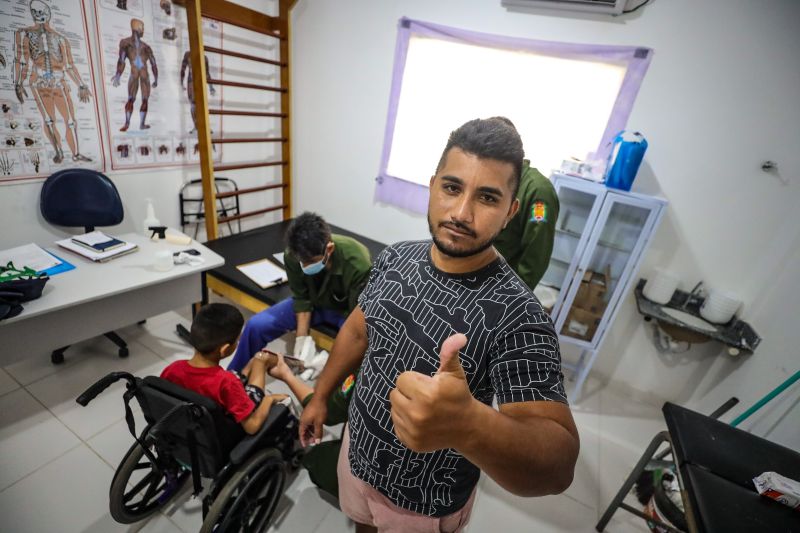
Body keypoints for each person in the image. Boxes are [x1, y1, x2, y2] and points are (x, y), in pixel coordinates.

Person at [301, 118, 579, 532]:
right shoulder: (396, 257)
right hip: (356, 457)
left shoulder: (519, 315)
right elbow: (358, 331)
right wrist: (321, 395)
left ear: (510, 211)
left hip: (420, 506)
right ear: (432, 187)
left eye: (487, 197)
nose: (462, 213)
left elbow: (558, 466)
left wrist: (469, 424)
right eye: (452, 188)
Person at [227, 212, 372, 373]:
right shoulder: (293, 255)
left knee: (358, 350)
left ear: (329, 249)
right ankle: (232, 376)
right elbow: (302, 299)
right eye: (302, 262)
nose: (306, 266)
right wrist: (301, 340)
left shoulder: (357, 262)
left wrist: (332, 361)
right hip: (314, 304)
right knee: (256, 325)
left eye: (311, 262)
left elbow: (356, 319)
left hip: (346, 312)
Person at [160, 303, 287, 435]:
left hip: (189, 432)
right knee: (260, 360)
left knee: (250, 365)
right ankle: (266, 362)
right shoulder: (227, 382)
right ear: (225, 349)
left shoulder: (172, 369)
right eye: (237, 341)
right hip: (224, 433)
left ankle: (254, 365)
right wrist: (269, 399)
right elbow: (252, 426)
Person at [264, 352, 357, 498]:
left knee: (316, 459)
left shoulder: (373, 366)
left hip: (367, 471)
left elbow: (328, 412)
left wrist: (286, 375)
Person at [14, 0, 94, 164]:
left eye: (42, 12)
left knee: (70, 121)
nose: (39, 15)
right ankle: (59, 152)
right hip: (39, 82)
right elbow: (22, 60)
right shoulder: (24, 34)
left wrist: (81, 84)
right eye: (35, 12)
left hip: (58, 81)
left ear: (48, 13)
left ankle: (76, 153)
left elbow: (69, 65)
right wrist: (18, 83)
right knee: (49, 119)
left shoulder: (61, 39)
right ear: (32, 14)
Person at [492, 117, 560, 290]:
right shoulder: (493, 179)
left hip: (499, 286)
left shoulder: (538, 193)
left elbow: (536, 252)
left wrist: (515, 295)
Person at [111, 18, 158, 132]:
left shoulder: (146, 47)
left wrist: (156, 79)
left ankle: (141, 124)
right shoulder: (126, 43)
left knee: (144, 100)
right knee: (131, 99)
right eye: (142, 28)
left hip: (144, 75)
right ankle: (127, 123)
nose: (143, 31)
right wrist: (118, 74)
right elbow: (121, 60)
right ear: (138, 28)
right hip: (135, 74)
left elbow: (153, 64)